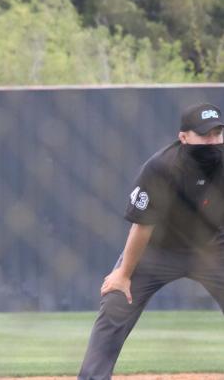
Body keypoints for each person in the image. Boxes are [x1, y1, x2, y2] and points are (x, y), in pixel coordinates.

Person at [78, 102, 224, 380]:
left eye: (218, 134)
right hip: (157, 251)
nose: (213, 141)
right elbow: (142, 227)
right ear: (184, 137)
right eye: (205, 135)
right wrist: (123, 274)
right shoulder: (162, 168)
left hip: (211, 247)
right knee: (115, 301)